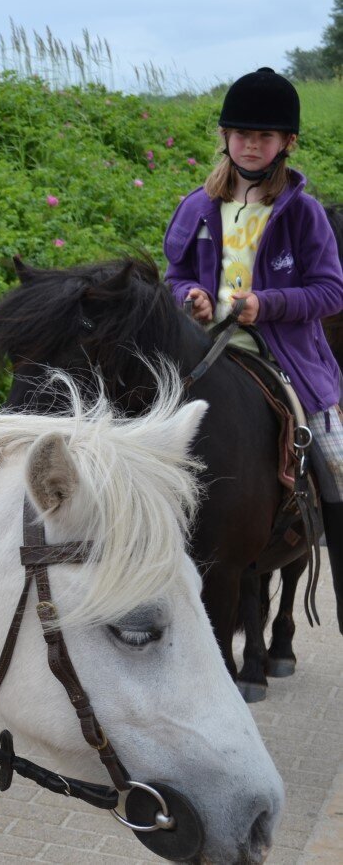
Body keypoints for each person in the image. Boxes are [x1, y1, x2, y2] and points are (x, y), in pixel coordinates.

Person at [165, 67, 343, 629]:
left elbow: (330, 289)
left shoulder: (303, 213)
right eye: (241, 133)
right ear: (225, 136)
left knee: (336, 464)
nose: (250, 143)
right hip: (203, 350)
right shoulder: (195, 206)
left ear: (286, 143)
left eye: (264, 136)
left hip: (282, 357)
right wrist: (189, 295)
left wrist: (265, 305)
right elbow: (172, 273)